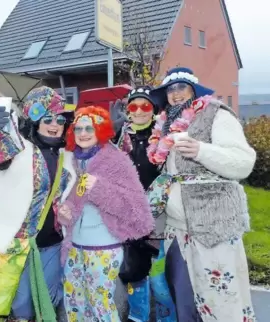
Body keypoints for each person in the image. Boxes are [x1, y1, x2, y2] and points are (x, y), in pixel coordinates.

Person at [147, 67, 257, 321]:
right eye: (170, 90)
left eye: (181, 88)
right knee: (185, 301)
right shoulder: (165, 125)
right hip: (176, 231)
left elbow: (243, 162)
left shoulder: (216, 114)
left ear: (194, 90)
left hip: (212, 228)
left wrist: (200, 151)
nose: (175, 95)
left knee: (222, 302)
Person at [0, 86, 76, 321]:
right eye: (47, 119)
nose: (55, 124)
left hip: (52, 242)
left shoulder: (68, 156)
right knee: (21, 305)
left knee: (50, 299)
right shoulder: (17, 148)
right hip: (17, 242)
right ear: (34, 121)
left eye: (60, 119)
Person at [57, 106, 154, 322]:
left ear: (101, 129)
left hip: (104, 247)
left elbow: (137, 211)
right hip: (74, 246)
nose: (83, 133)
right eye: (78, 128)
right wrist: (64, 213)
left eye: (89, 128)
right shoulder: (72, 160)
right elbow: (73, 202)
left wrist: (98, 189)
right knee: (74, 303)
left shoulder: (116, 161)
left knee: (100, 306)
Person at [117, 87, 177, 322]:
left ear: (154, 110)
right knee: (135, 274)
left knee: (158, 279)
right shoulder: (120, 138)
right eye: (133, 106)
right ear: (127, 110)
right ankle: (138, 316)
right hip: (129, 217)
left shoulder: (165, 136)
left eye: (145, 106)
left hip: (156, 219)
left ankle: (167, 318)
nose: (139, 111)